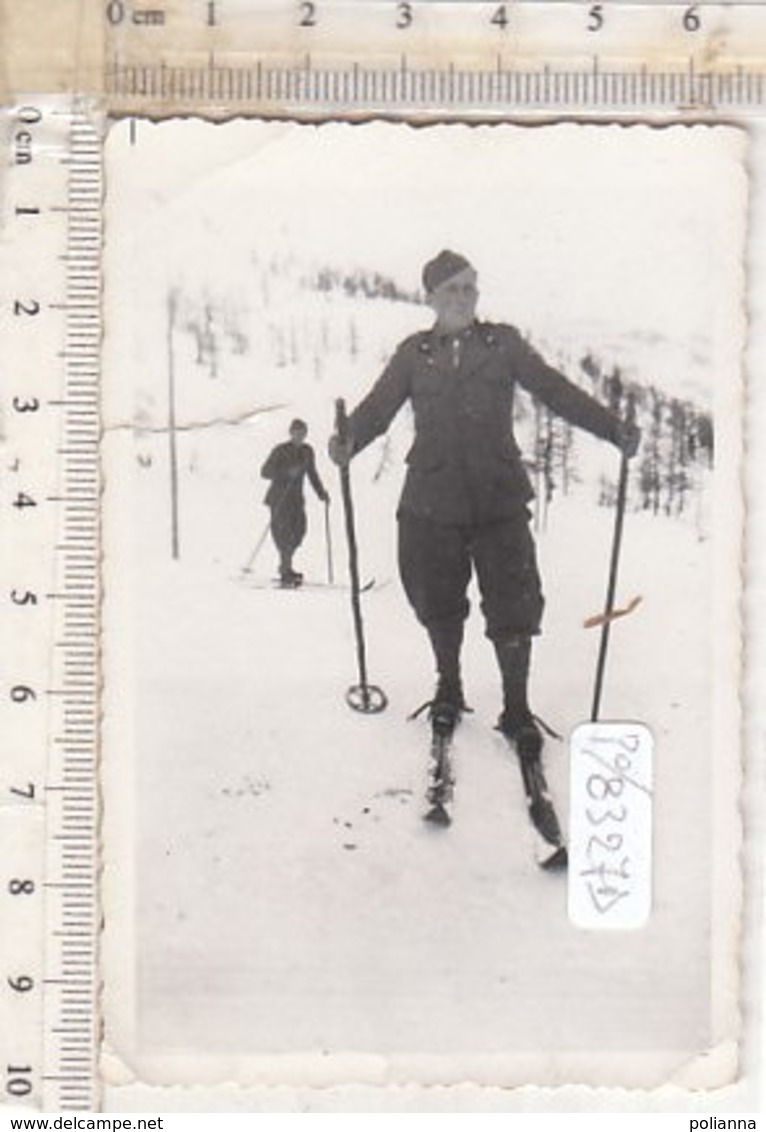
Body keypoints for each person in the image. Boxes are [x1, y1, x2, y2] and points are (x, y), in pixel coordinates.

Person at [329, 250, 640, 755]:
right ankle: (448, 688)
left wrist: (612, 429)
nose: (461, 298)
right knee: (437, 599)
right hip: (431, 501)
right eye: (450, 289)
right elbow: (377, 411)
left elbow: (555, 391)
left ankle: (516, 708)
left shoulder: (504, 345)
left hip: (498, 496)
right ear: (429, 297)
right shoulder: (414, 353)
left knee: (514, 601)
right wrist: (347, 442)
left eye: (469, 288)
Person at [261, 419, 329, 587]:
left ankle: (286, 566)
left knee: (299, 532)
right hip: (279, 499)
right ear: (291, 433)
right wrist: (286, 473)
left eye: (302, 433)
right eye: (297, 433)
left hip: (296, 501)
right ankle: (285, 570)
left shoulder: (307, 452)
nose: (300, 436)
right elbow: (265, 472)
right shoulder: (280, 450)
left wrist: (322, 494)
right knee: (284, 535)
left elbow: (312, 474)